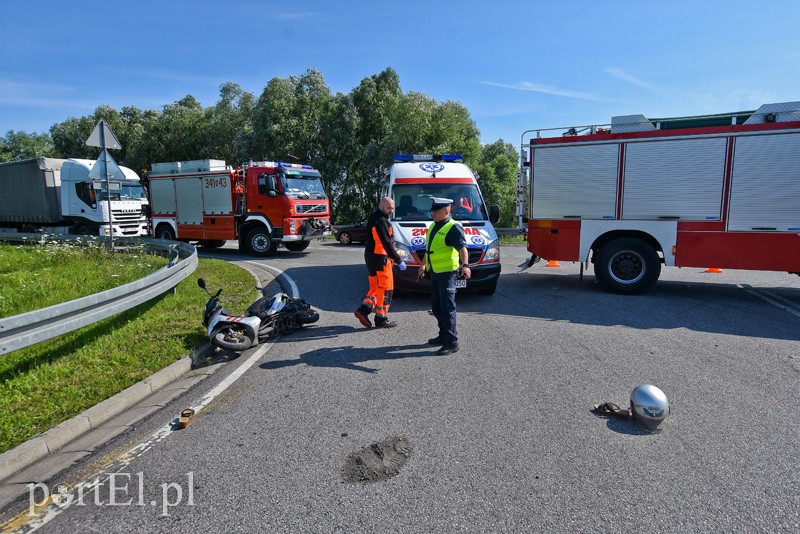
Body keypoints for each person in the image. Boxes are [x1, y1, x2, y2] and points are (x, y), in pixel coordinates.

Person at [417, 197, 471, 355]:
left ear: (446, 211)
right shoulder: (434, 225)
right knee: (436, 307)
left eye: (435, 210)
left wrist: (465, 265)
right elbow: (429, 249)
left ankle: (452, 342)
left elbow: (462, 248)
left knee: (447, 308)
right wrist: (422, 265)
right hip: (435, 273)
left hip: (447, 274)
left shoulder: (453, 227)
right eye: (432, 210)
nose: (432, 213)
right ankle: (443, 335)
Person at [354, 196, 407, 328]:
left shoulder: (374, 217)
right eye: (388, 208)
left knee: (375, 287)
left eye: (392, 208)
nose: (391, 211)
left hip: (372, 257)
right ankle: (381, 319)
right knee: (385, 289)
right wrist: (398, 259)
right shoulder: (381, 221)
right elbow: (386, 243)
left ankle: (364, 310)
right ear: (381, 206)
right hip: (380, 259)